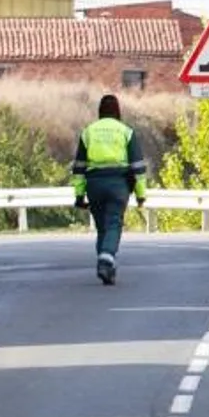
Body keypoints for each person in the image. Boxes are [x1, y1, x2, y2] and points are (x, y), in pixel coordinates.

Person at [71, 94, 148, 286]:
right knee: (114, 224)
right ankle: (106, 261)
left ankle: (106, 265)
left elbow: (79, 167)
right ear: (118, 111)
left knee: (102, 228)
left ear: (100, 111)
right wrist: (140, 194)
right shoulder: (125, 131)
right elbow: (137, 166)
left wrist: (79, 195)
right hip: (118, 183)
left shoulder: (88, 132)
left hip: (94, 184)